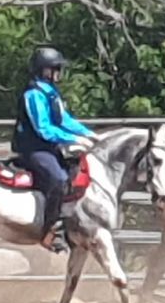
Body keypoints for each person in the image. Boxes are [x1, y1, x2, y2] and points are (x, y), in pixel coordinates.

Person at [11, 45, 99, 253]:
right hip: (33, 148)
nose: (59, 73)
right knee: (58, 178)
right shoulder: (33, 94)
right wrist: (73, 138)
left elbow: (63, 120)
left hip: (49, 145)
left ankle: (70, 221)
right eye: (55, 68)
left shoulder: (50, 93)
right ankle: (49, 230)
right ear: (43, 70)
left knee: (76, 172)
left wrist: (87, 133)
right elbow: (44, 128)